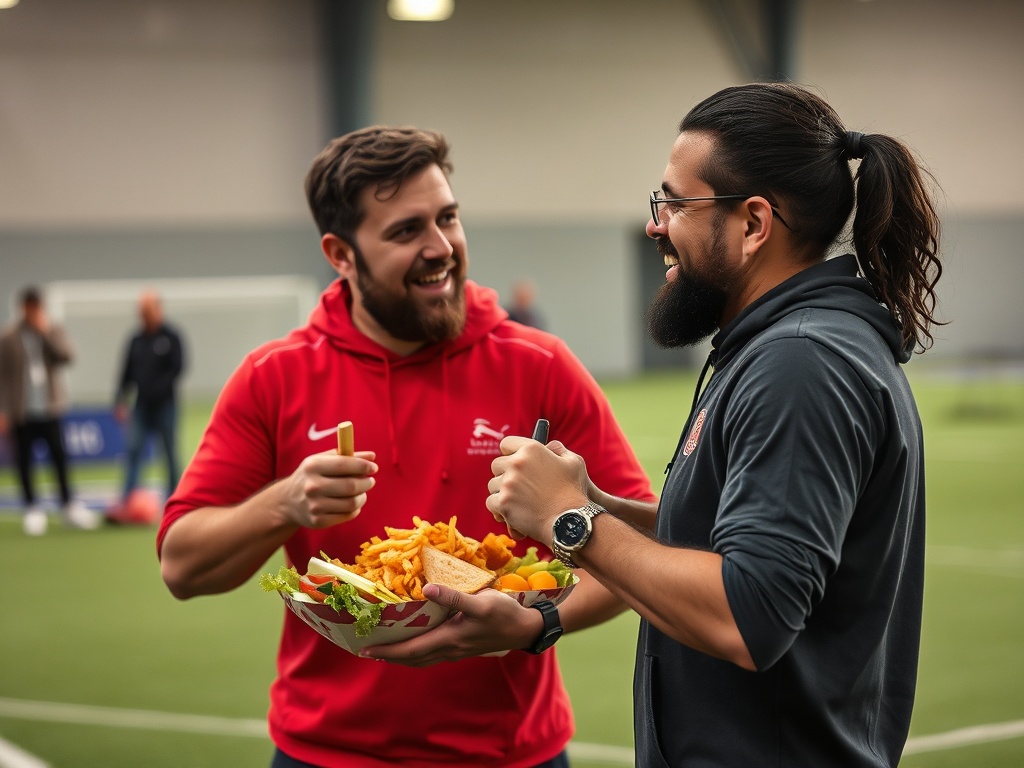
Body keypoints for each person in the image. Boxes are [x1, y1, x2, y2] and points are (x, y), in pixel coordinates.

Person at [157, 126, 655, 768]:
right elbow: (181, 567)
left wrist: (537, 624)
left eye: (448, 218)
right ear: (340, 253)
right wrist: (283, 504)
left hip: (509, 753)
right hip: (326, 752)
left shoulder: (538, 365)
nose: (441, 248)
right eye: (406, 231)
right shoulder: (274, 378)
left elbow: (636, 550)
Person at [487, 82, 942, 768]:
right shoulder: (781, 347)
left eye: (674, 202)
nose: (655, 224)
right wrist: (605, 507)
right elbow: (719, 551)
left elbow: (747, 614)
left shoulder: (800, 364)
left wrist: (571, 519)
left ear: (755, 223)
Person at [0, 286, 100, 535]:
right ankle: (32, 508)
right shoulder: (9, 337)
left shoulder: (52, 330)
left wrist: (44, 333)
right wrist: (3, 410)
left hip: (50, 407)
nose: (33, 312)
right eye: (29, 308)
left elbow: (67, 356)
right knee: (24, 460)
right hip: (21, 410)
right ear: (22, 308)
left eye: (37, 307)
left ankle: (68, 506)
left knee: (59, 457)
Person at [112, 289, 185, 510]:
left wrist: (158, 389)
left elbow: (178, 367)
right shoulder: (136, 340)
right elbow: (126, 371)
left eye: (146, 309)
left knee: (170, 453)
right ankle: (127, 500)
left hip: (166, 405)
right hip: (141, 406)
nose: (142, 314)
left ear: (157, 310)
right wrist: (120, 399)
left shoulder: (171, 336)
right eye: (140, 310)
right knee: (133, 449)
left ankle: (175, 500)